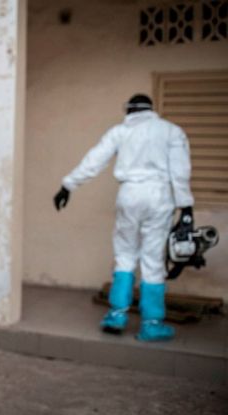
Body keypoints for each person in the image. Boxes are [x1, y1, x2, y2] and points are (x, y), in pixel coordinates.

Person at [53, 94, 194, 342]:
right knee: (152, 259)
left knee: (125, 253)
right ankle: (151, 324)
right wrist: (186, 206)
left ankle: (117, 315)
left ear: (129, 110)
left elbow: (94, 160)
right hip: (160, 196)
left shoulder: (120, 132)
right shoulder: (171, 131)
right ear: (151, 109)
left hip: (129, 195)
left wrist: (68, 185)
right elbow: (180, 170)